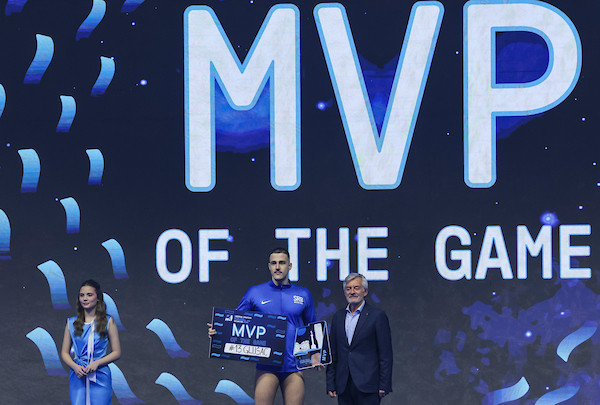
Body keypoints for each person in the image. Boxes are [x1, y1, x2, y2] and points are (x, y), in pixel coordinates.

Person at [208, 247, 317, 405]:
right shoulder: (255, 292)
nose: (277, 267)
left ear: (290, 266)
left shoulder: (303, 294)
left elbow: (312, 327)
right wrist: (219, 331)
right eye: (274, 263)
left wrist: (316, 354)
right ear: (269, 266)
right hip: (267, 366)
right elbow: (235, 322)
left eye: (282, 263)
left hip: (294, 367)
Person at [326, 273, 392, 405]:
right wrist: (330, 383)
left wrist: (384, 384)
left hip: (369, 385)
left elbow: (385, 354)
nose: (352, 292)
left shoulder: (377, 316)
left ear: (365, 291)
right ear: (345, 292)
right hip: (344, 385)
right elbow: (333, 352)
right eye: (348, 288)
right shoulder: (338, 317)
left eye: (356, 288)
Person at [61, 280, 121, 405]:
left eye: (89, 295)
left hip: (100, 374)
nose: (85, 298)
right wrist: (75, 367)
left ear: (97, 297)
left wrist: (97, 363)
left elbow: (117, 352)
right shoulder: (71, 323)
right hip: (78, 374)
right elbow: (64, 353)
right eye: (82, 295)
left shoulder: (108, 322)